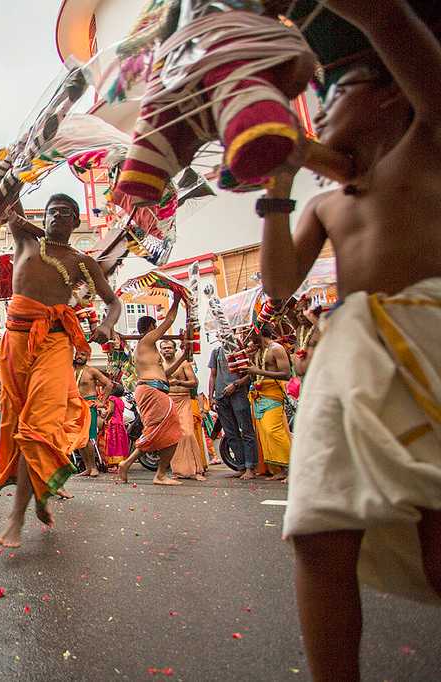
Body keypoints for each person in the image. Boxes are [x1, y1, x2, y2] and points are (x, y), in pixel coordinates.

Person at [258, 2, 441, 678]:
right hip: (349, 359)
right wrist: (278, 186)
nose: (325, 107)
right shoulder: (323, 203)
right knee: (318, 532)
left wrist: (374, 15)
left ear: (393, 93)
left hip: (430, 341)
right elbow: (279, 283)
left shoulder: (430, 136)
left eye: (341, 91)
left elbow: (395, 29)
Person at [0, 194, 121, 548]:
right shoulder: (25, 240)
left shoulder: (83, 263)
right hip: (15, 343)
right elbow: (9, 193)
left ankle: (16, 518)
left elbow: (113, 302)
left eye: (67, 212)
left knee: (36, 427)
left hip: (54, 344)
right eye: (53, 211)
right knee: (18, 426)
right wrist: (22, 162)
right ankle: (42, 496)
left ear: (75, 221)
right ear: (45, 217)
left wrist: (108, 327)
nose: (59, 216)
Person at [117, 295, 187, 486]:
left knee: (163, 431)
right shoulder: (147, 341)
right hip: (151, 391)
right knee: (171, 431)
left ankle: (129, 464)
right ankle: (160, 474)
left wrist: (183, 357)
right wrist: (177, 299)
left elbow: (164, 372)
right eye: (155, 327)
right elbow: (170, 320)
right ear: (150, 328)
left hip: (155, 390)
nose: (158, 330)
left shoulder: (149, 349)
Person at [247, 327, 292, 482]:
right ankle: (280, 469)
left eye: (249, 332)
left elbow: (286, 374)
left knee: (273, 430)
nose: (246, 336)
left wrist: (259, 372)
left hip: (273, 394)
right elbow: (254, 374)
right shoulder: (258, 351)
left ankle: (292, 468)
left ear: (258, 332)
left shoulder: (277, 349)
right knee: (265, 434)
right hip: (258, 395)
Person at [208, 344, 258, 479]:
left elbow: (251, 374)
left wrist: (236, 384)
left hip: (238, 394)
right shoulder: (216, 351)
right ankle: (241, 466)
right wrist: (210, 396)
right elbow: (213, 375)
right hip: (221, 396)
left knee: (246, 431)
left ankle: (250, 468)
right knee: (231, 433)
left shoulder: (241, 349)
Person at [161, 340, 206, 482]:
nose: (167, 350)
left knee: (188, 433)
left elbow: (194, 382)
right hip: (168, 402)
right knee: (173, 436)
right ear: (161, 351)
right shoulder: (159, 366)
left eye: (169, 348)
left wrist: (179, 382)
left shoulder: (183, 364)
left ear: (175, 350)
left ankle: (196, 470)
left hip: (184, 400)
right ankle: (179, 471)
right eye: (164, 348)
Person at [73, 350, 111, 477]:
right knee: (78, 438)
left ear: (87, 357)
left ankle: (94, 467)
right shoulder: (70, 370)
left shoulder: (91, 371)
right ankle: (88, 467)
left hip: (89, 405)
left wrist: (101, 401)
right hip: (75, 406)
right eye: (77, 353)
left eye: (82, 354)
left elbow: (109, 384)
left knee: (88, 437)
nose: (79, 356)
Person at [102, 385, 130, 469]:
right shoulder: (121, 400)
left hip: (113, 423)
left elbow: (111, 411)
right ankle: (119, 463)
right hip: (120, 423)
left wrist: (105, 419)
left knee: (113, 443)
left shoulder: (112, 398)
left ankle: (113, 464)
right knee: (120, 443)